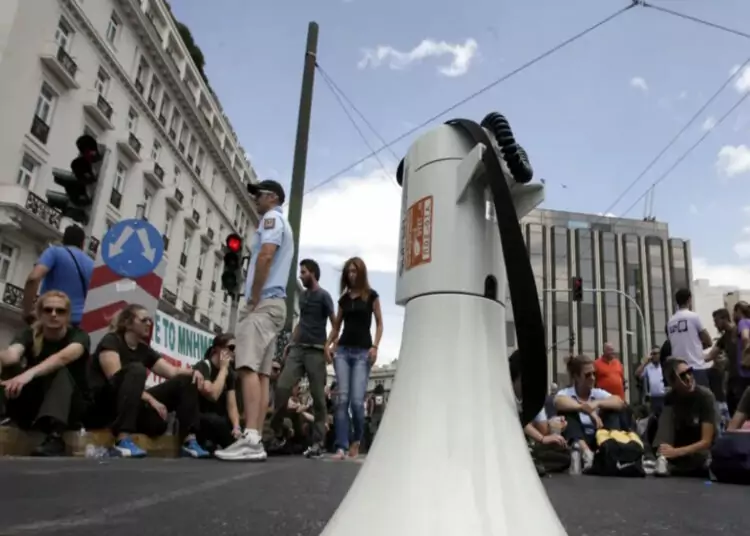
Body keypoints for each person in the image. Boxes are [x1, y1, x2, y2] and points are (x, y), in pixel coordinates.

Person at [215, 180, 294, 462]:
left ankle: (250, 437)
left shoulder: (272, 219)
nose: (255, 200)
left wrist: (254, 297)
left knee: (246, 366)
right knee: (261, 374)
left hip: (264, 303)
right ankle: (255, 437)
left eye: (258, 195)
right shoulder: (282, 223)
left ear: (272, 197)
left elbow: (266, 256)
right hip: (274, 305)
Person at [88, 304, 209, 459]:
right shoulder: (111, 341)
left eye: (150, 320)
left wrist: (193, 372)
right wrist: (152, 400)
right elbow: (115, 379)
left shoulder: (144, 350)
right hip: (106, 405)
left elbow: (172, 371)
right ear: (128, 324)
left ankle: (189, 441)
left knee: (185, 380)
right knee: (136, 370)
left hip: (132, 403)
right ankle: (122, 439)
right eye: (144, 320)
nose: (149, 324)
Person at [0, 291, 90, 456]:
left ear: (67, 315)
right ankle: (7, 415)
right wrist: (5, 357)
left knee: (60, 370)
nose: (53, 314)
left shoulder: (79, 336)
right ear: (40, 313)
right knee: (10, 367)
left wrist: (28, 374)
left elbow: (62, 358)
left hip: (70, 406)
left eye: (60, 311)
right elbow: (12, 355)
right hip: (37, 399)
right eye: (48, 310)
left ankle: (56, 437)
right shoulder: (29, 334)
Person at [268, 259, 334, 459]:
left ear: (313, 273)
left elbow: (335, 323)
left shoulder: (324, 296)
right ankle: (279, 432)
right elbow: (301, 323)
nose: (301, 275)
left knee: (318, 398)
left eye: (303, 272)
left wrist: (329, 346)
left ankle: (318, 443)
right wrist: (290, 343)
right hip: (298, 349)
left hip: (315, 351)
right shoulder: (303, 296)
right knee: (282, 388)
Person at [326, 256, 384, 460]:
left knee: (357, 402)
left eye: (354, 271)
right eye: (349, 272)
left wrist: (375, 346)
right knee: (342, 400)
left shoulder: (371, 296)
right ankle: (341, 446)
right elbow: (336, 327)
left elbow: (379, 323)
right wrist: (327, 344)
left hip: (362, 353)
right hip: (342, 351)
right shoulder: (344, 300)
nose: (351, 275)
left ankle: (357, 439)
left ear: (361, 273)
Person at [554, 354, 627, 472]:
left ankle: (609, 451)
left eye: (594, 374)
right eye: (588, 375)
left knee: (613, 411)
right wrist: (584, 409)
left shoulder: (597, 393)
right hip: (579, 439)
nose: (592, 378)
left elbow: (619, 402)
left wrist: (596, 404)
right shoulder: (566, 393)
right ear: (576, 377)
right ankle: (586, 453)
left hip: (598, 438)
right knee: (567, 414)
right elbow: (558, 402)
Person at [652, 357, 718, 477]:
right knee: (658, 418)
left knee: (703, 457)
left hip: (700, 450)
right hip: (680, 444)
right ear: (673, 382)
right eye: (682, 376)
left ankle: (671, 462)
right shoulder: (670, 398)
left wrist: (676, 452)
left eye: (689, 372)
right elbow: (666, 428)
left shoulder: (705, 397)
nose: (688, 378)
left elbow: (706, 441)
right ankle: (662, 458)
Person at [22, 225, 94, 327]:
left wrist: (27, 311)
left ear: (63, 240)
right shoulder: (92, 264)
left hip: (51, 319)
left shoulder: (54, 252)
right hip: (78, 325)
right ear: (83, 244)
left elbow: (33, 278)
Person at [193, 334, 242, 452]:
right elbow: (213, 395)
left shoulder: (230, 373)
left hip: (219, 418)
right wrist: (223, 369)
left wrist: (237, 427)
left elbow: (232, 406)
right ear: (218, 349)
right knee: (216, 421)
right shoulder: (204, 366)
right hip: (201, 418)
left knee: (240, 431)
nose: (234, 352)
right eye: (231, 348)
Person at [666, 288, 712, 388]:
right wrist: (697, 347)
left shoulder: (670, 322)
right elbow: (708, 341)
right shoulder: (694, 317)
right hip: (696, 367)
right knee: (702, 396)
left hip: (679, 370)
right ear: (689, 300)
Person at [729, 302, 750, 415]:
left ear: (739, 311)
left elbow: (745, 337)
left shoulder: (743, 322)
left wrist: (746, 353)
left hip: (745, 373)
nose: (733, 315)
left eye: (734, 311)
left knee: (743, 405)